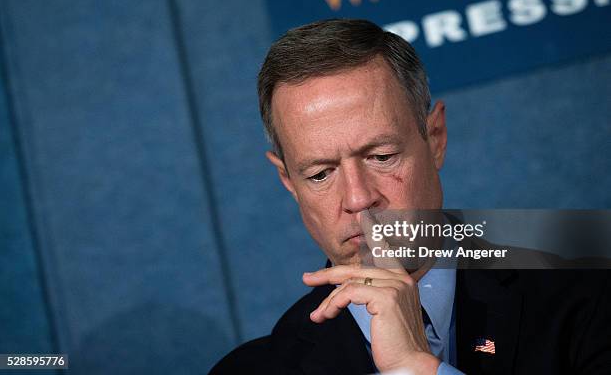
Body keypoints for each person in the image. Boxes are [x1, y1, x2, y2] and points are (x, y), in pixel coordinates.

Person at [210, 19, 611, 374]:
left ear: (435, 138)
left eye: (381, 157)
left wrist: (415, 370)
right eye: (320, 174)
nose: (358, 198)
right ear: (287, 181)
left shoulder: (588, 287)